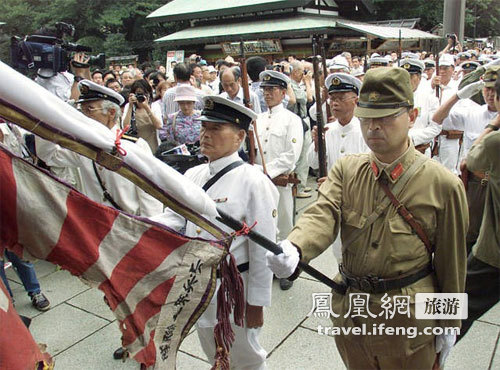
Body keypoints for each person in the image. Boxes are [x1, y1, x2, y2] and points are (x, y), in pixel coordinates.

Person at [267, 67, 468, 369]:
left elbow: (452, 264)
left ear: (412, 116)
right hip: (353, 309)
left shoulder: (443, 184)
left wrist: (450, 323)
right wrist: (296, 246)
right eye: (367, 117)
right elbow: (322, 213)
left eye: (386, 117)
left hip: (408, 317)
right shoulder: (347, 170)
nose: (374, 127)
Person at [152, 95, 278, 369]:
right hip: (199, 284)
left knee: (246, 356)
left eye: (216, 129)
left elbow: (263, 247)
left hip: (235, 288)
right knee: (213, 350)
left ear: (239, 136)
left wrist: (256, 302)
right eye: (204, 128)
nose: (205, 135)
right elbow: (175, 220)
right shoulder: (193, 175)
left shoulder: (254, 181)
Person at [35, 80, 163, 218]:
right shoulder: (84, 146)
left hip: (127, 226)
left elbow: (149, 194)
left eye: (89, 109)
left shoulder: (134, 146)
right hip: (94, 226)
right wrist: (51, 117)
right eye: (81, 110)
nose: (84, 116)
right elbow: (49, 155)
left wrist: (150, 230)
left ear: (111, 113)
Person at [432, 65, 499, 253]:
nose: (490, 94)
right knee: (469, 237)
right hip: (476, 184)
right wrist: (458, 96)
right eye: (487, 88)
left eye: (495, 89)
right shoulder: (475, 112)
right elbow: (437, 119)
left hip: (496, 183)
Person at [458, 76, 500, 341]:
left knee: (452, 306)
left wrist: (493, 125)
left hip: (493, 254)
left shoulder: (495, 142)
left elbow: (473, 158)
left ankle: (425, 357)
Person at [254, 70, 303, 291]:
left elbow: (291, 155)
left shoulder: (292, 120)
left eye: (272, 89)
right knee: (265, 223)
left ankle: (288, 269)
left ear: (283, 93)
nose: (267, 94)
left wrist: (266, 171)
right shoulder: (258, 119)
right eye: (264, 89)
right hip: (260, 180)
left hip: (280, 181)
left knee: (284, 224)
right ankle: (269, 266)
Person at [0, 123, 50, 311]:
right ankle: (8, 303)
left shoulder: (10, 129)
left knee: (19, 252)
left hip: (12, 200)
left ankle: (35, 291)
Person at [401, 59, 442, 157]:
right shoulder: (392, 98)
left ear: (419, 77)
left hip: (420, 150)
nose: (407, 80)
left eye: (411, 76)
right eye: (403, 76)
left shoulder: (430, 99)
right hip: (397, 152)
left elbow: (435, 127)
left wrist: (411, 138)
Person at [288, 61, 313, 199]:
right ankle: (299, 187)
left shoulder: (294, 85)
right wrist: (308, 83)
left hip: (301, 120)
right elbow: (308, 98)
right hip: (299, 121)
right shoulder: (291, 85)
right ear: (296, 72)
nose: (304, 75)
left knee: (304, 155)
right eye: (302, 71)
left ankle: (301, 183)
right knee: (302, 155)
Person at [122, 79, 163, 153]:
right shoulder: (129, 106)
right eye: (138, 93)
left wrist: (147, 108)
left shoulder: (154, 106)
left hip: (152, 146)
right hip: (135, 146)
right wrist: (130, 106)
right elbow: (125, 127)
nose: (141, 96)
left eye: (144, 93)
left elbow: (159, 125)